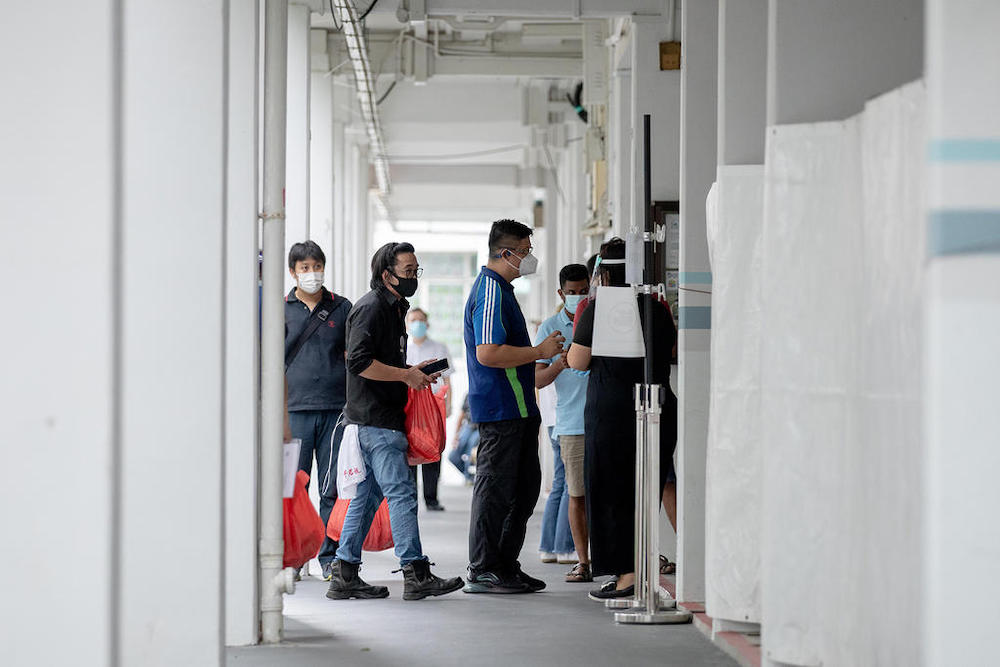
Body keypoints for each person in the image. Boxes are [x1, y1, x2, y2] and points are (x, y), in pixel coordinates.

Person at [326, 242, 464, 601]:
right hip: (376, 420)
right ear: (387, 275)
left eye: (417, 270)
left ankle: (344, 573)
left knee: (367, 497)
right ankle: (415, 573)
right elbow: (358, 362)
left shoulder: (393, 308)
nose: (414, 277)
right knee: (401, 494)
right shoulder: (371, 308)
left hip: (379, 417)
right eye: (408, 271)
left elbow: (381, 361)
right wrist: (404, 376)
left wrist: (412, 371)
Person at [567, 238, 678, 601]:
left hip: (612, 414)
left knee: (612, 495)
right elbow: (669, 351)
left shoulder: (599, 310)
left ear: (604, 273)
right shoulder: (658, 308)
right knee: (644, 492)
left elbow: (577, 361)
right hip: (656, 408)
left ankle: (627, 575)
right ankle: (639, 571)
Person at [463, 219, 565, 594]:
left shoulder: (503, 291)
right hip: (500, 409)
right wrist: (539, 352)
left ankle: (504, 564)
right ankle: (483, 568)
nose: (529, 258)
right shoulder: (490, 291)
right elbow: (488, 352)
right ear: (506, 253)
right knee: (495, 491)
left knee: (522, 491)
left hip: (520, 408)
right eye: (524, 252)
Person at [283, 241, 352, 581]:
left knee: (331, 486)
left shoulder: (341, 307)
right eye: (305, 268)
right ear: (293, 272)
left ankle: (328, 557)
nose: (312, 273)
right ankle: (294, 556)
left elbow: (354, 355)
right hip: (294, 409)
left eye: (317, 266)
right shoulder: (280, 309)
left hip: (335, 409)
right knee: (294, 485)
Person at [535, 263, 592, 582]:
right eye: (571, 292)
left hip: (604, 420)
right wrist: (561, 363)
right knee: (574, 492)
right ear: (561, 293)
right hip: (570, 422)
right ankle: (581, 560)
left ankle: (607, 556)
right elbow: (537, 379)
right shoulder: (550, 328)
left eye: (583, 291)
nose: (578, 297)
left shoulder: (598, 320)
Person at [405, 308, 453, 511]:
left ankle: (431, 498)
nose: (417, 324)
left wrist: (448, 405)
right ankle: (410, 498)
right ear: (408, 324)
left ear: (427, 323)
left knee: (432, 449)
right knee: (410, 450)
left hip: (433, 405)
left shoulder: (439, 348)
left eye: (421, 320)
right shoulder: (404, 348)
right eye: (413, 320)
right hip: (410, 406)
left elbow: (447, 379)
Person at [447, 395, 479, 484]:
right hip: (468, 425)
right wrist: (456, 435)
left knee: (471, 447)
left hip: (479, 428)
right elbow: (462, 415)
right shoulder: (468, 395)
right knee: (453, 456)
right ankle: (468, 475)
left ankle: (469, 477)